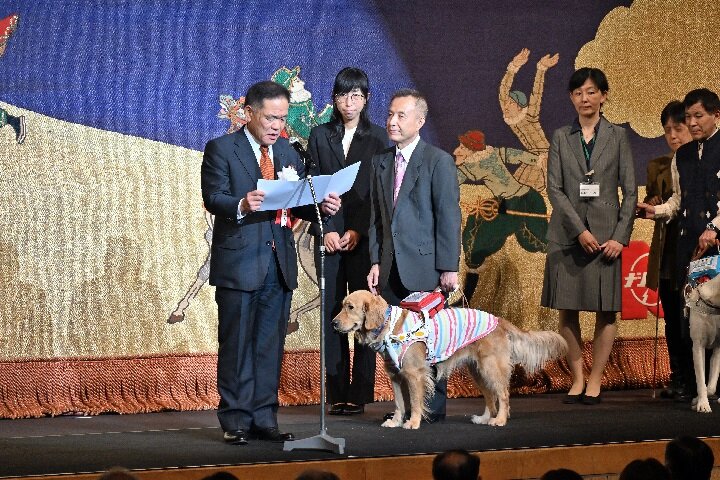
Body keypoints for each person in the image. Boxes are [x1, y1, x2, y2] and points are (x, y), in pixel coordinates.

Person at [201, 80, 341, 445]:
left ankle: (265, 418)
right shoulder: (221, 149)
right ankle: (235, 419)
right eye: (271, 118)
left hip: (279, 265)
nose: (278, 125)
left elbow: (295, 201)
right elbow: (214, 196)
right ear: (249, 113)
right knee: (237, 346)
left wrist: (320, 205)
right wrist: (242, 205)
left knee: (269, 346)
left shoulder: (289, 153)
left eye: (283, 118)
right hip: (240, 263)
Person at [541, 67, 637, 405]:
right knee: (567, 310)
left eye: (592, 91)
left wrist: (620, 237)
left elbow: (630, 193)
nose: (586, 98)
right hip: (568, 237)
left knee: (605, 311)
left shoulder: (618, 136)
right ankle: (578, 378)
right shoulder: (560, 136)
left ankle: (596, 379)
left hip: (607, 239)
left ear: (604, 95)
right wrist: (579, 230)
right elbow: (554, 189)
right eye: (579, 92)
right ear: (571, 97)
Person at [367, 89, 461, 423]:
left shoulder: (438, 161)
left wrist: (449, 267)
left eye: (401, 115)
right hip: (390, 267)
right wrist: (376, 261)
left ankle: (431, 412)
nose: (392, 121)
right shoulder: (381, 162)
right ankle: (404, 409)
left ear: (420, 121)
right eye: (390, 114)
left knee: (428, 344)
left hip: (425, 268)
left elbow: (449, 216)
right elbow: (377, 219)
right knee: (396, 344)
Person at [307, 67, 388, 416]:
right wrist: (324, 227)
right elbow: (310, 186)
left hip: (363, 239)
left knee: (367, 315)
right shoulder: (319, 135)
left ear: (366, 99)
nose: (348, 102)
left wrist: (358, 232)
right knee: (335, 315)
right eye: (342, 96)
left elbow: (380, 196)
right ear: (334, 98)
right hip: (328, 236)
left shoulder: (379, 137)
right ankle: (337, 391)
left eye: (355, 96)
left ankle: (359, 394)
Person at [637, 88, 720, 401]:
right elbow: (678, 200)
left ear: (716, 115)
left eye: (698, 116)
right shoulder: (682, 157)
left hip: (716, 247)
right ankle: (692, 383)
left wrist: (714, 227)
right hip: (688, 248)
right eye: (689, 117)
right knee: (689, 318)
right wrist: (655, 211)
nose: (693, 123)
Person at [636, 101, 693, 400]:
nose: (673, 135)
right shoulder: (658, 165)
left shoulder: (700, 163)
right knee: (672, 316)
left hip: (695, 247)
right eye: (667, 130)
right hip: (667, 248)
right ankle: (679, 377)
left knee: (692, 318)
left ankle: (701, 380)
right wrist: (652, 201)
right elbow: (654, 198)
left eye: (678, 128)